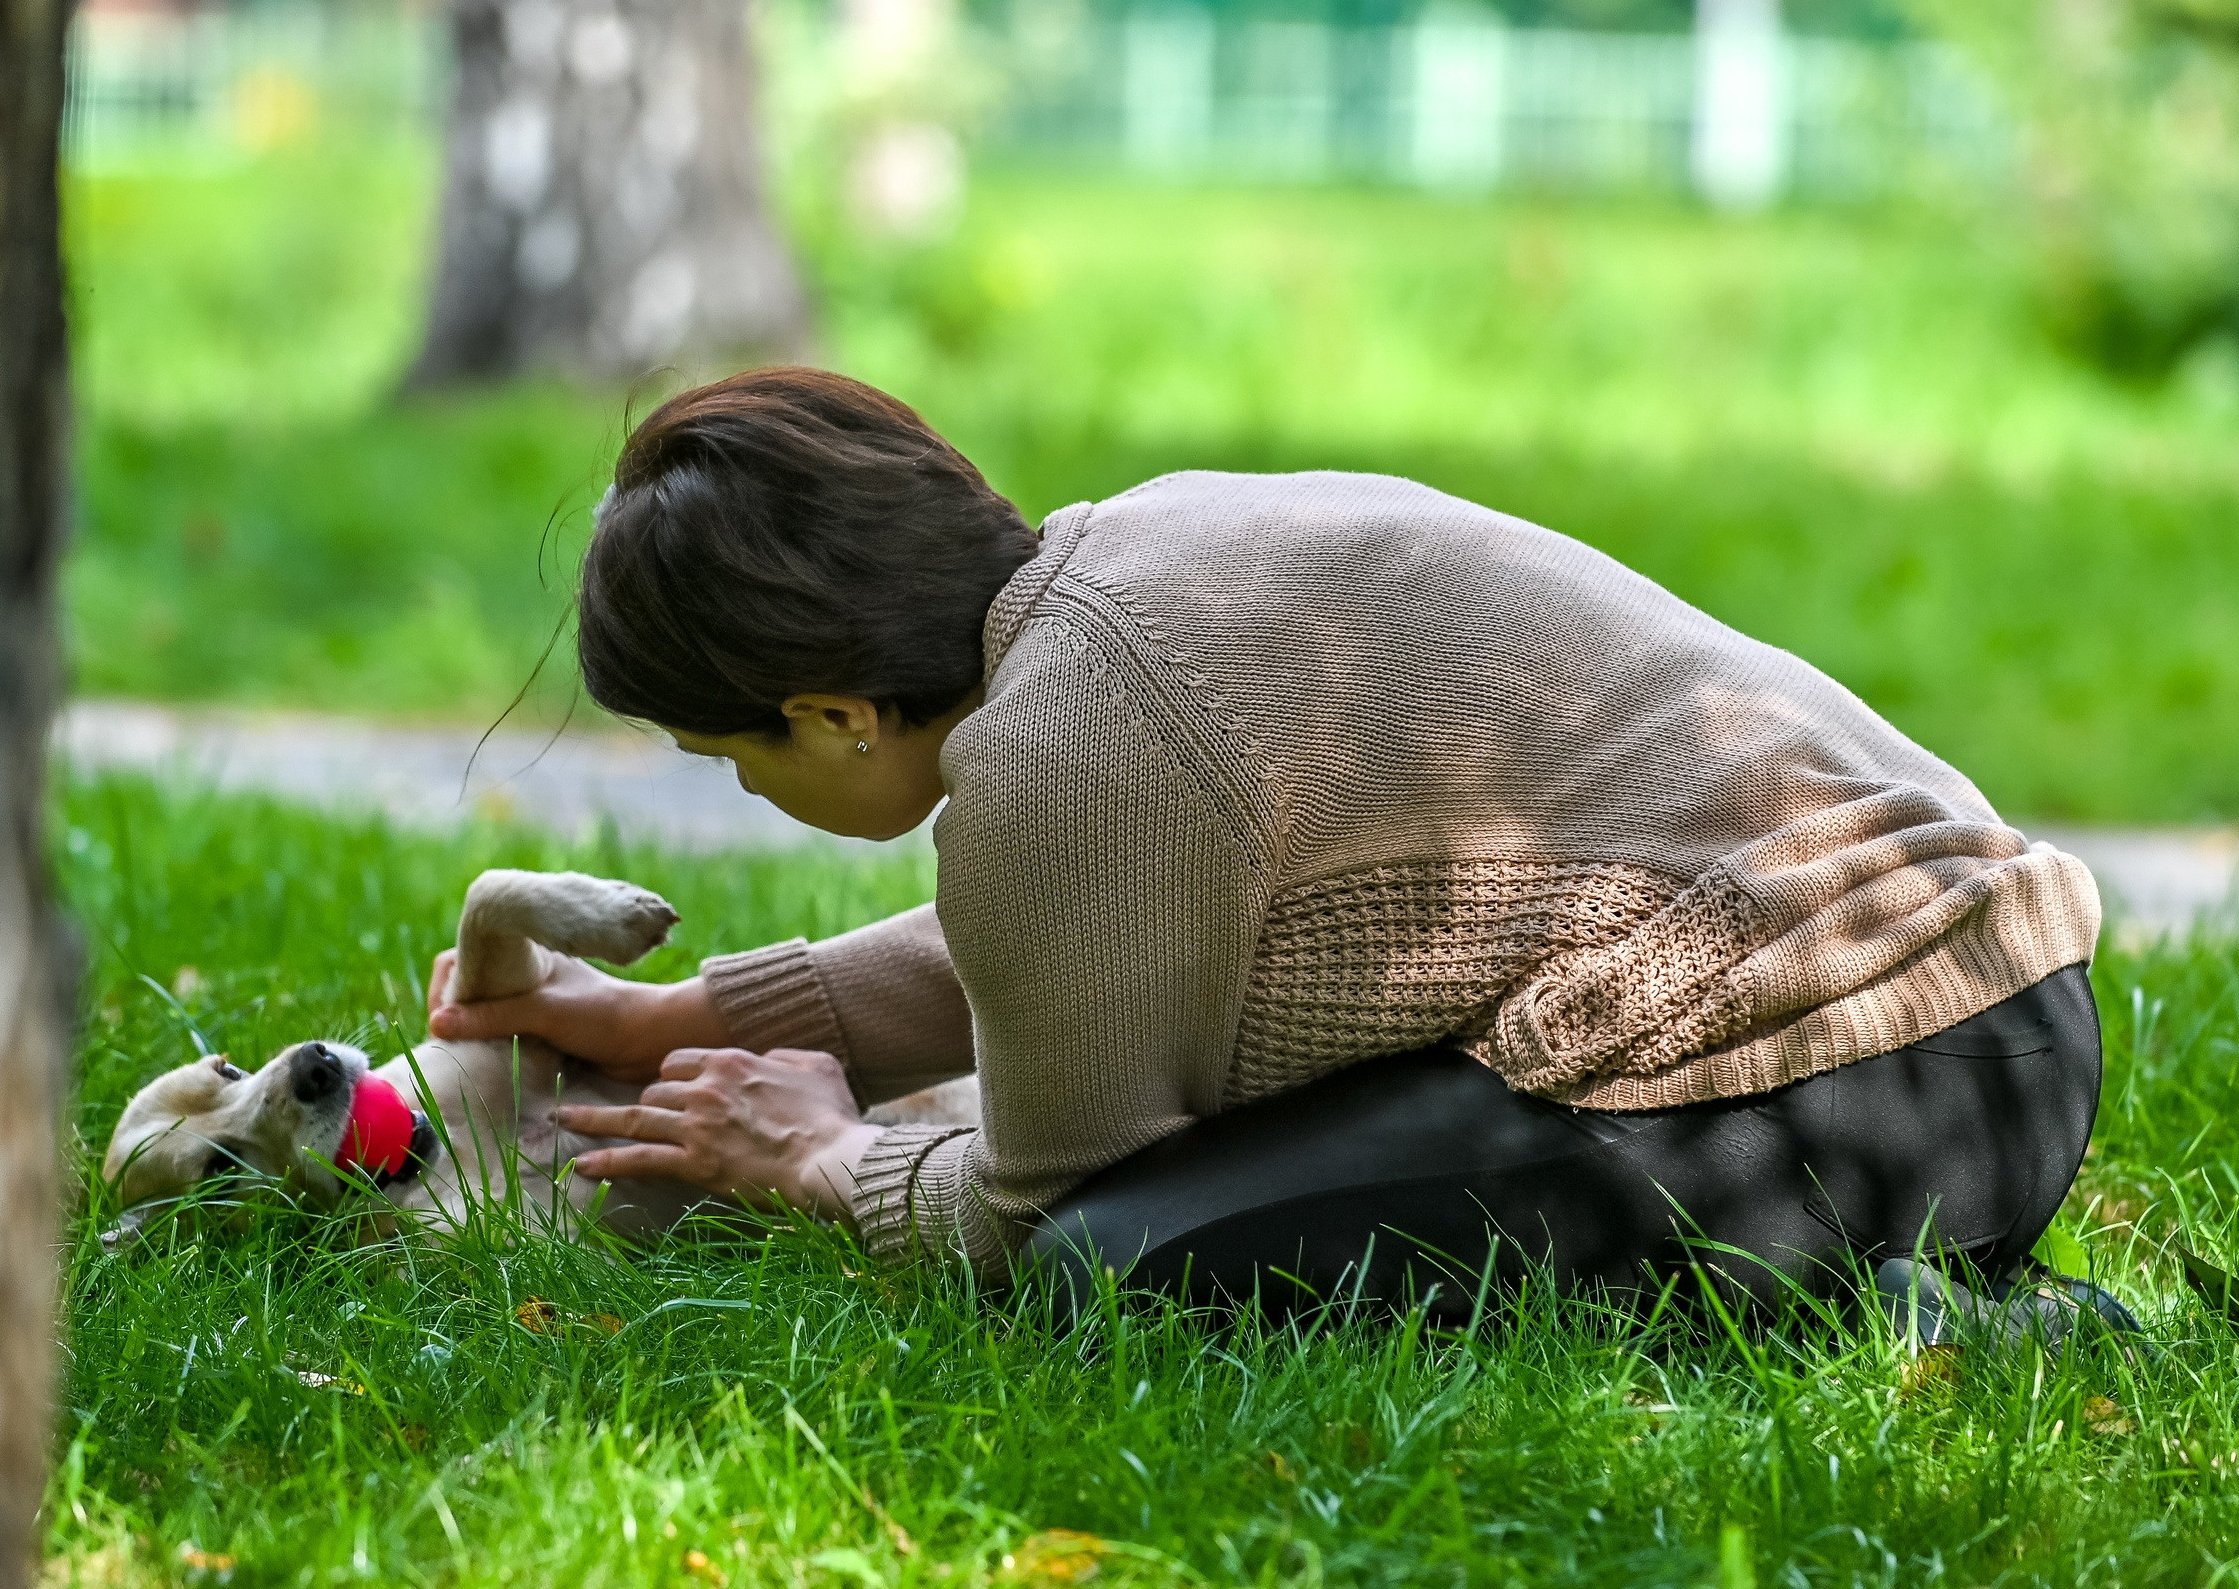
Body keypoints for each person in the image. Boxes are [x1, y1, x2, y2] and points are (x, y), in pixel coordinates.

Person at [426, 366, 2107, 1320]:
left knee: (1111, 1269)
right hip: (1999, 1011)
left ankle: (1927, 1314)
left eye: (733, 755)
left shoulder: (1060, 751)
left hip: (1870, 1090)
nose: (743, 793)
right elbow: (1096, 938)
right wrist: (680, 1017)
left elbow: (1028, 1209)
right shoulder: (1125, 566)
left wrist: (822, 1161)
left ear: (840, 712)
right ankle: (1898, 1282)